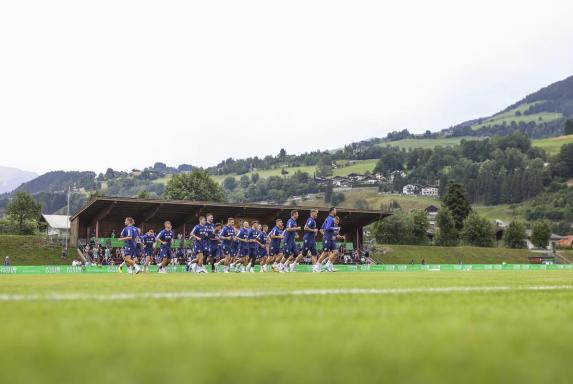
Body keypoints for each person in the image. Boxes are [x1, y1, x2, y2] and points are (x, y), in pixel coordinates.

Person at [317, 207, 339, 273]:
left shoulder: (328, 218)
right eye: (335, 210)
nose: (336, 211)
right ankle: (316, 266)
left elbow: (323, 228)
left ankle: (328, 265)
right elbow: (327, 228)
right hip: (327, 238)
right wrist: (335, 228)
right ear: (332, 211)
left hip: (330, 238)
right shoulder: (330, 218)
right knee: (325, 253)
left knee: (336, 252)